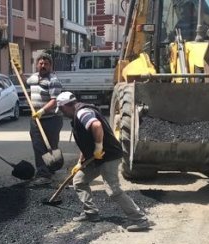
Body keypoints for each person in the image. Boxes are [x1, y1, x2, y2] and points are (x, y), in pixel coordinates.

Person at [55, 91, 151, 232]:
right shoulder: (79, 113)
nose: (62, 113)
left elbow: (96, 126)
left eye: (62, 110)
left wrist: (99, 147)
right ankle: (91, 212)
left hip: (108, 155)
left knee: (113, 190)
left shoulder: (82, 113)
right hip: (95, 158)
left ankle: (140, 219)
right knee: (79, 180)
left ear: (65, 106)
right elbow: (85, 141)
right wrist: (79, 162)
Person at [27, 53, 64, 186]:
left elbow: (55, 101)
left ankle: (49, 169)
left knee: (51, 146)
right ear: (37, 65)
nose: (43, 66)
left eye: (46, 64)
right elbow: (26, 86)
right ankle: (44, 173)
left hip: (51, 119)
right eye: (41, 63)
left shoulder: (53, 80)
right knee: (38, 146)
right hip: (36, 119)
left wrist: (42, 111)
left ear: (50, 66)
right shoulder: (32, 78)